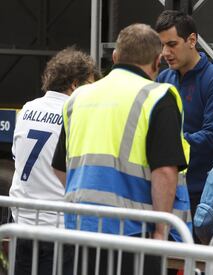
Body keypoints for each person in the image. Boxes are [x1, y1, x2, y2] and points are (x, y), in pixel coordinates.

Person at [52, 23, 192, 275]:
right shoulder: (158, 97)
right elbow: (165, 172)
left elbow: (60, 168)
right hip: (133, 234)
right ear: (157, 61)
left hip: (79, 228)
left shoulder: (78, 97)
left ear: (115, 57)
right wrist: (161, 230)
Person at [155, 10, 213, 233]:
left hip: (207, 196)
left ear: (192, 40)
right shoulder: (164, 79)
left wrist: (164, 146)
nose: (165, 53)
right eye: (162, 46)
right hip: (170, 189)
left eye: (172, 44)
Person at [9, 47, 98, 275]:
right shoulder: (75, 113)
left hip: (22, 221)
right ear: (75, 85)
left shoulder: (27, 109)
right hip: (57, 226)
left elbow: (16, 156)